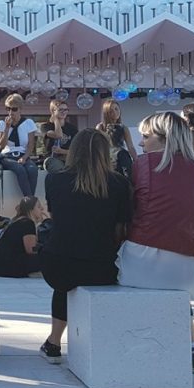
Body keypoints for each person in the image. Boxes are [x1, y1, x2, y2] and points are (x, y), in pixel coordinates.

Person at [117, 111, 194, 374]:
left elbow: (127, 212)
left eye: (146, 136)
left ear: (165, 138)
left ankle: (156, 350)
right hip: (189, 273)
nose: (141, 143)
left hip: (138, 262)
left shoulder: (142, 165)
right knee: (173, 278)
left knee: (150, 269)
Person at [39, 129, 132, 362]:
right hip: (101, 266)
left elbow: (56, 217)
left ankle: (54, 341)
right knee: (88, 264)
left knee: (64, 282)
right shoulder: (119, 184)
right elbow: (120, 230)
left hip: (58, 264)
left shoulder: (54, 180)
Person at [0, 196, 50, 279]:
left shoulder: (16, 221)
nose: (42, 209)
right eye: (38, 207)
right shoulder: (27, 223)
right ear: (31, 210)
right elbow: (31, 250)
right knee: (48, 257)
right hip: (9, 266)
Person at [0, 93, 39, 196]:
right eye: (8, 109)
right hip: (7, 156)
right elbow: (1, 145)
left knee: (32, 169)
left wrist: (24, 157)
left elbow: (31, 145)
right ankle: (30, 201)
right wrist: (7, 128)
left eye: (14, 109)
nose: (11, 112)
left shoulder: (28, 123)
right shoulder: (2, 123)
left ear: (20, 109)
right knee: (20, 169)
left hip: (23, 154)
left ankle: (29, 200)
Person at [39, 100, 77, 173]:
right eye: (60, 110)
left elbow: (77, 150)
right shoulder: (46, 126)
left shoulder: (72, 129)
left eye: (66, 110)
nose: (64, 112)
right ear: (53, 111)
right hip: (53, 159)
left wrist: (62, 151)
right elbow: (58, 135)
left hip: (69, 159)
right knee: (58, 167)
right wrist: (56, 120)